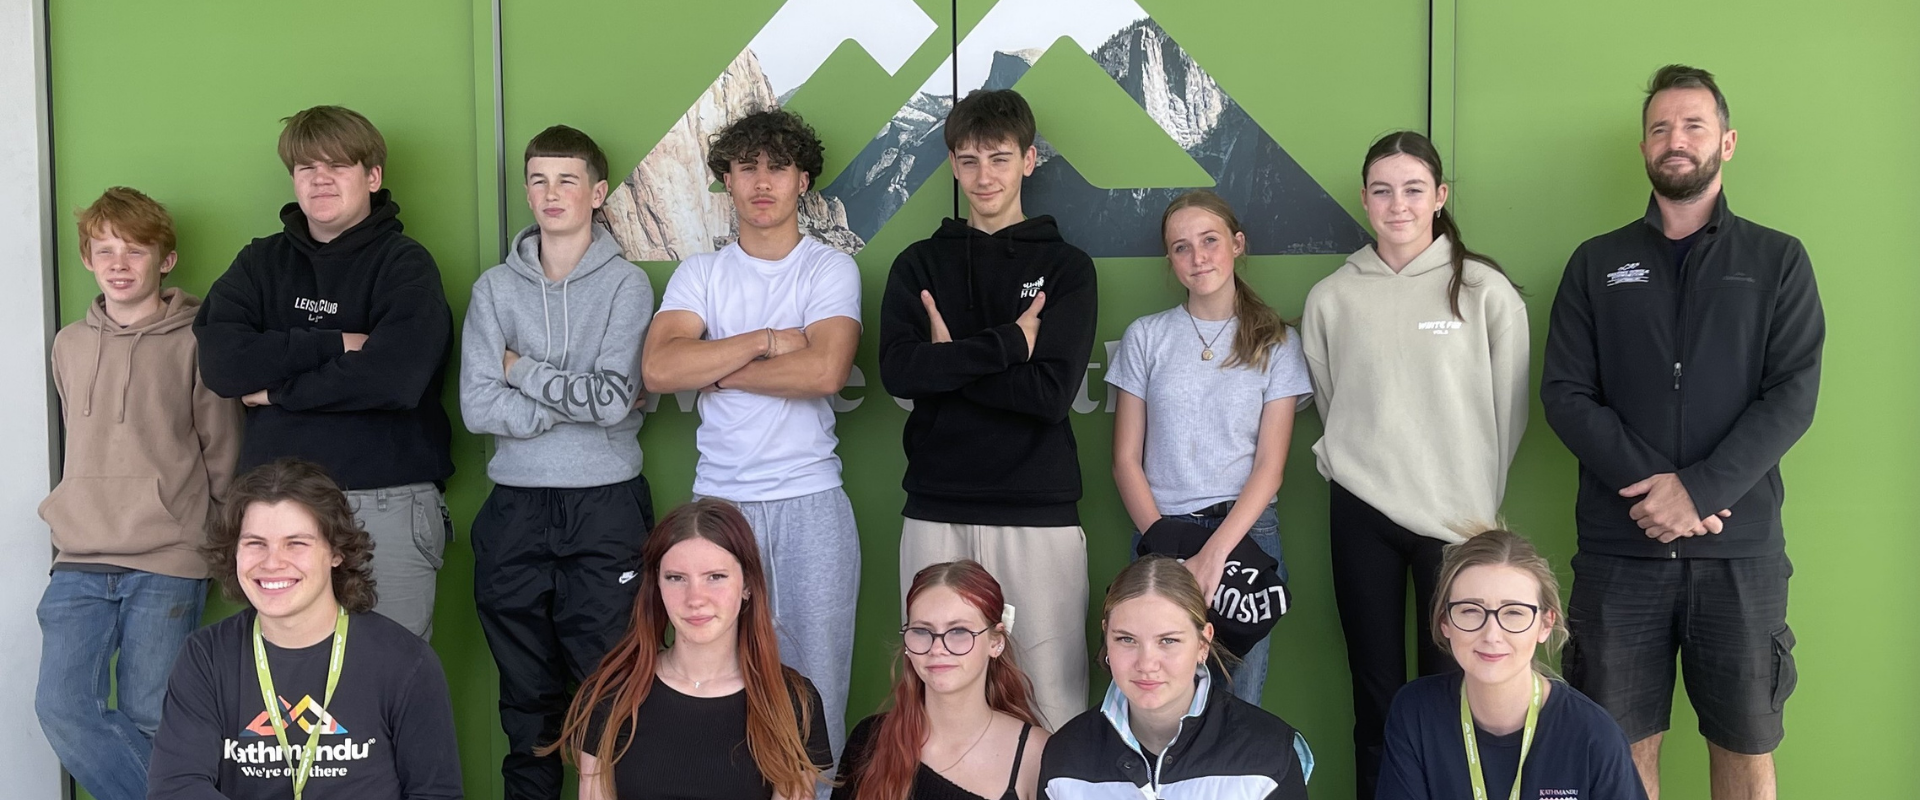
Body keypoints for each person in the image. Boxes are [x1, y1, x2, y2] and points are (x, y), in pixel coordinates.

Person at [1540, 64, 1822, 800]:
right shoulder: (1596, 263)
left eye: (1694, 125)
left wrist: (1697, 491)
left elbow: (1792, 396)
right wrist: (1656, 492)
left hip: (1740, 554)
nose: (1676, 139)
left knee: (1746, 748)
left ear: (1726, 142)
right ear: (1643, 148)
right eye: (1661, 127)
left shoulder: (1778, 260)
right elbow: (1565, 394)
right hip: (1620, 549)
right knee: (1618, 751)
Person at [1299, 129, 1528, 799]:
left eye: (1413, 189)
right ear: (1364, 199)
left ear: (1440, 195)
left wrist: (1473, 494)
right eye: (1382, 190)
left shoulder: (1484, 291)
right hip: (1360, 511)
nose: (1397, 204)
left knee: (1452, 690)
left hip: (1458, 521)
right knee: (1374, 691)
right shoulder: (1331, 297)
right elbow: (1334, 403)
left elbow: (1508, 413)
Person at [640, 107, 862, 758]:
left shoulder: (829, 269)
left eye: (778, 168)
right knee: (717, 685)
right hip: (719, 508)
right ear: (726, 181)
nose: (762, 182)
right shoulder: (701, 274)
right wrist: (765, 341)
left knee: (815, 693)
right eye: (746, 168)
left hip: (809, 502)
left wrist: (719, 370)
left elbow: (824, 371)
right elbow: (660, 369)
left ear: (803, 181)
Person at [878, 88, 1099, 730]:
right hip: (936, 508)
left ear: (1028, 160)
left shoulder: (1066, 268)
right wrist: (1007, 346)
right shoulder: (918, 264)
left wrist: (948, 364)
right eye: (970, 160)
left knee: (1049, 702)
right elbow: (900, 372)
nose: (984, 176)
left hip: (1037, 512)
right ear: (953, 164)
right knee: (935, 701)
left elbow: (1049, 394)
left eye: (1000, 158)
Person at [194, 105, 456, 639]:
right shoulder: (259, 263)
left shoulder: (405, 265)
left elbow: (395, 378)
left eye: (337, 165)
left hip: (385, 501)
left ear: (372, 177)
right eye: (306, 167)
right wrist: (336, 342)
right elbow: (222, 363)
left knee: (388, 673)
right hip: (275, 509)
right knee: (291, 674)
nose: (320, 179)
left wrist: (277, 393)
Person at [459, 124, 656, 800]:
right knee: (527, 702)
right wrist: (573, 401)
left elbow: (612, 398)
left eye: (567, 179)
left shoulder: (626, 285)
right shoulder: (494, 290)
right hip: (515, 510)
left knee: (613, 692)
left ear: (597, 193)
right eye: (539, 180)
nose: (551, 193)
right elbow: (478, 407)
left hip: (605, 506)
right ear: (526, 190)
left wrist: (520, 370)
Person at [35, 187, 243, 800]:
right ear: (87, 260)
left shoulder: (198, 341)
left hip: (169, 558)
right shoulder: (69, 344)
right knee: (63, 708)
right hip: (79, 555)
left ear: (166, 260)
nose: (119, 264)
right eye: (105, 250)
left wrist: (221, 546)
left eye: (135, 250)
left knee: (154, 717)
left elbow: (223, 451)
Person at [147, 459, 462, 800]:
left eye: (296, 543)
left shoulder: (405, 661)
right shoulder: (206, 656)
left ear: (336, 552)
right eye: (255, 543)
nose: (272, 562)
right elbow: (176, 787)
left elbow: (435, 794)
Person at [1107, 188, 1311, 706]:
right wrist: (1167, 550)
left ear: (1237, 244)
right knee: (1154, 698)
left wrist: (1213, 556)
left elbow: (1270, 467)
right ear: (1170, 259)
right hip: (1160, 532)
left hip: (1246, 538)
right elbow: (1126, 461)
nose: (1198, 257)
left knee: (1234, 706)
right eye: (1182, 247)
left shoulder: (1276, 342)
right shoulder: (1146, 336)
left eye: (1210, 241)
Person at [544, 499, 831, 800]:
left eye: (715, 577)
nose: (695, 598)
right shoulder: (612, 693)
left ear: (747, 585)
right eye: (676, 578)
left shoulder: (793, 701)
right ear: (657, 586)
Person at [1378, 529, 1647, 800]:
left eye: (1514, 612)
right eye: (1471, 610)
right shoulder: (1416, 712)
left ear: (1545, 625)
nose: (1492, 634)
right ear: (1445, 622)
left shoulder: (1594, 735)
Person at [1037, 555, 1311, 800]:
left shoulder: (1270, 753)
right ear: (1107, 637)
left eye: (1168, 640)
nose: (1146, 664)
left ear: (1203, 643)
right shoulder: (1064, 756)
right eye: (1126, 639)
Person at [834, 561, 1049, 800]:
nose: (937, 648)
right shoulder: (869, 739)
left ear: (996, 642)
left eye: (958, 631)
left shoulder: (1036, 754)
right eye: (922, 631)